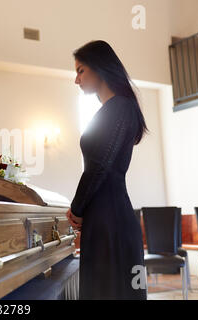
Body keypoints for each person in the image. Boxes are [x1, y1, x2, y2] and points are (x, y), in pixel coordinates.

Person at [66, 40, 149, 300]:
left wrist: (77, 209)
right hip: (103, 219)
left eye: (81, 70)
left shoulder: (121, 107)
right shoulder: (109, 110)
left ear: (99, 68)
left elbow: (100, 167)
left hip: (111, 221)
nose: (76, 80)